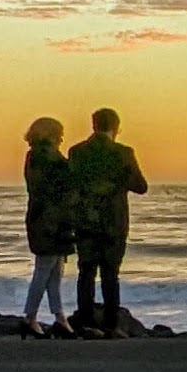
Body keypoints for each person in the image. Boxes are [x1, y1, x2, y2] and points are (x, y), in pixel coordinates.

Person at [61, 108, 148, 335]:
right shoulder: (123, 153)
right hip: (113, 222)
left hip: (85, 220)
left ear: (94, 125)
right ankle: (111, 325)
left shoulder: (77, 152)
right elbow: (140, 186)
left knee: (86, 273)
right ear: (116, 127)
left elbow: (71, 184)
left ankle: (87, 324)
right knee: (111, 274)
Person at [19, 118, 76, 335]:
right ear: (49, 134)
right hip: (50, 220)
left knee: (55, 270)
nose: (61, 138)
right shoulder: (45, 156)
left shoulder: (35, 155)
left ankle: (59, 316)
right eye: (58, 134)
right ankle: (30, 316)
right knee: (45, 268)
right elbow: (56, 187)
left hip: (45, 217)